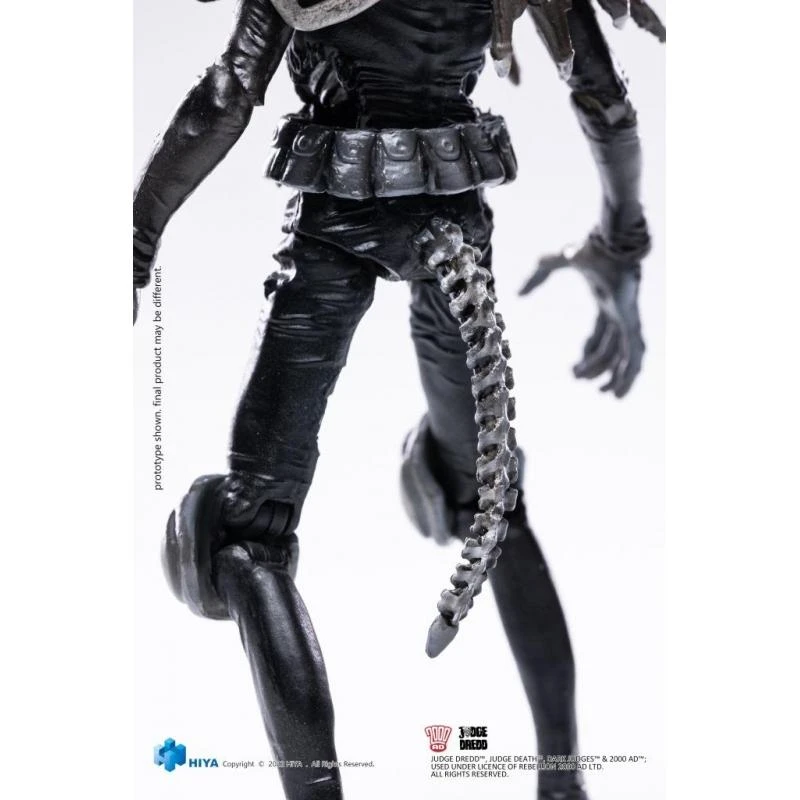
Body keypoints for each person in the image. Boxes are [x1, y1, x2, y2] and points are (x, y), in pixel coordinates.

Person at [133, 2, 664, 798]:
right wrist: (621, 240)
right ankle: (563, 783)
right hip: (452, 210)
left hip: (337, 214)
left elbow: (228, 95)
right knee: (487, 497)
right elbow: (607, 102)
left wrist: (136, 237)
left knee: (245, 537)